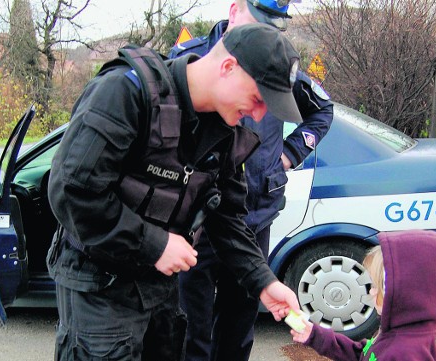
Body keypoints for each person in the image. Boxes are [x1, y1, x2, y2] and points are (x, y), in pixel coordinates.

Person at [47, 23, 302, 361]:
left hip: (159, 287)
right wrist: (155, 244)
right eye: (258, 99)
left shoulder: (223, 131)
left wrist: (263, 281)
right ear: (228, 67)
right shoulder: (124, 93)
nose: (258, 114)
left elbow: (227, 219)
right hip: (97, 285)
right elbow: (72, 193)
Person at [168, 1, 333, 360]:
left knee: (239, 327)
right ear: (234, 10)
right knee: (190, 327)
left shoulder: (275, 63)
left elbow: (322, 109)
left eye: (274, 26)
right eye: (259, 21)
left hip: (252, 213)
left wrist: (288, 155)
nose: (265, 32)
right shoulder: (191, 59)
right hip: (197, 221)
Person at [291, 230, 436, 361]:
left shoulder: (404, 353)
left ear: (405, 295)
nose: (371, 292)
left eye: (376, 286)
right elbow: (363, 354)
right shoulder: (396, 334)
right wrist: (314, 335)